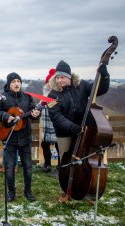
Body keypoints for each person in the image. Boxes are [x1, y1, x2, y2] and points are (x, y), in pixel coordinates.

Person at [48, 60, 110, 203]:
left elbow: (100, 89)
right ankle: (65, 191)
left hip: (84, 131)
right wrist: (73, 128)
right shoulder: (52, 94)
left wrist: (104, 74)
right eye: (57, 77)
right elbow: (56, 116)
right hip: (65, 133)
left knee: (85, 162)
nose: (59, 80)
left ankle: (87, 189)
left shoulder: (81, 86)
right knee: (65, 164)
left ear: (69, 76)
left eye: (62, 77)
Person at [0, 72, 40, 202]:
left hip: (25, 137)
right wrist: (5, 116)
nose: (16, 84)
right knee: (9, 167)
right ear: (9, 84)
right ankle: (11, 192)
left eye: (18, 81)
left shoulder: (27, 97)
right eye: (13, 82)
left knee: (28, 166)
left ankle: (28, 191)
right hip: (9, 137)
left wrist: (35, 114)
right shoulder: (2, 97)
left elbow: (34, 111)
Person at [41, 68, 60, 175]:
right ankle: (47, 164)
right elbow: (42, 103)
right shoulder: (45, 91)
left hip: (56, 121)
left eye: (50, 82)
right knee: (44, 144)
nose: (49, 84)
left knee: (58, 145)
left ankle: (59, 166)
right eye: (47, 82)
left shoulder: (59, 92)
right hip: (46, 121)